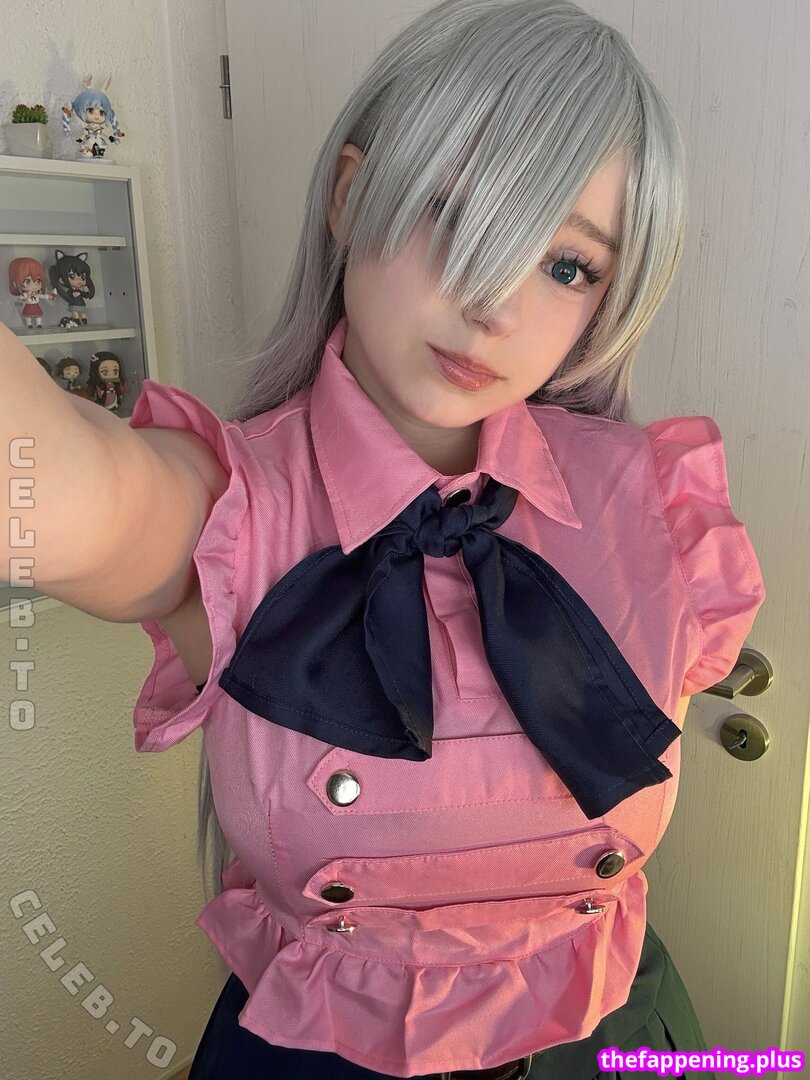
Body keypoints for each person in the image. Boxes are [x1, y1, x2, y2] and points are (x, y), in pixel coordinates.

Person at [0, 1, 766, 1077]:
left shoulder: (657, 505)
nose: (496, 304)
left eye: (566, 265)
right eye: (457, 212)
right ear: (353, 195)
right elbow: (61, 485)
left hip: (616, 1032)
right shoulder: (230, 509)